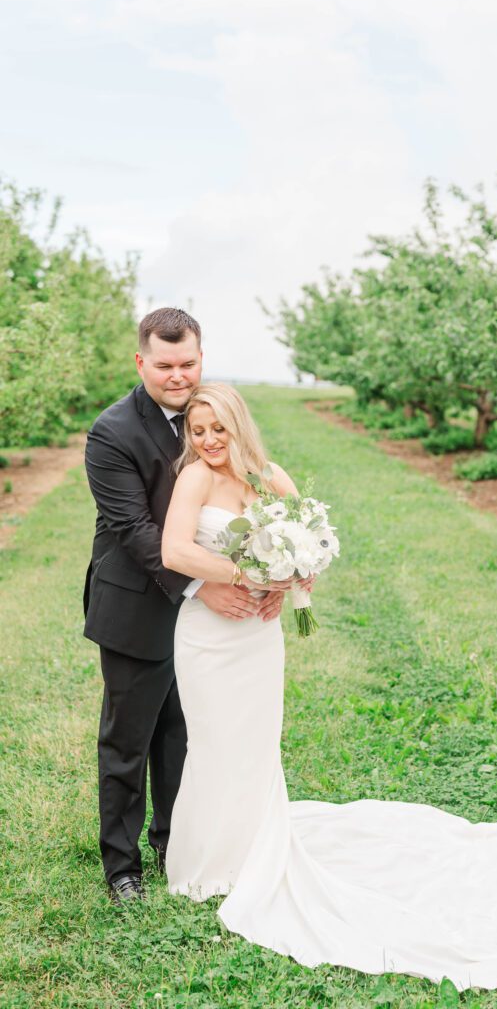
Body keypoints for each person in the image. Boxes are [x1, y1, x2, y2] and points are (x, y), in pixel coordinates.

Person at [161, 381, 497, 992]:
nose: (208, 441)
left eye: (219, 429)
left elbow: (309, 540)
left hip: (258, 638)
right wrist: (243, 571)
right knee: (213, 743)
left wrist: (286, 583)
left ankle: (253, 849)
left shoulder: (266, 475)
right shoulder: (195, 481)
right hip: (209, 634)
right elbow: (175, 550)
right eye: (198, 430)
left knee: (256, 744)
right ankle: (206, 866)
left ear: (239, 427)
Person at [83, 309, 284, 905]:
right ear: (141, 361)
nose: (178, 376)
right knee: (129, 739)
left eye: (188, 363)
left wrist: (278, 572)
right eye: (165, 365)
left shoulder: (213, 418)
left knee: (184, 731)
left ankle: (177, 841)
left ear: (201, 357)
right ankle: (122, 865)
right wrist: (205, 586)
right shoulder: (112, 431)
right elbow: (135, 528)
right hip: (139, 603)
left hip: (209, 618)